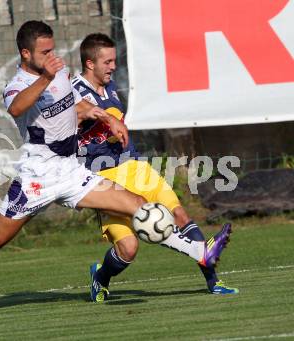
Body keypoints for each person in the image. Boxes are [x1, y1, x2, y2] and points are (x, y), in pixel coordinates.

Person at [0, 21, 232, 321]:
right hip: (36, 179)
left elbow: (73, 105)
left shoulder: (58, 72)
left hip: (69, 172)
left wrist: (104, 116)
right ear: (26, 55)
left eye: (52, 50)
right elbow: (17, 108)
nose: (52, 57)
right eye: (44, 52)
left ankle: (199, 252)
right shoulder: (18, 85)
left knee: (137, 204)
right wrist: (46, 78)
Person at [71, 33, 239, 300]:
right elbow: (71, 117)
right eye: (108, 62)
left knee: (180, 215)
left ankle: (213, 281)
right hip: (101, 177)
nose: (113, 67)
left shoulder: (110, 87)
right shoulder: (73, 91)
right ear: (90, 63)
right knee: (128, 248)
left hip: (135, 167)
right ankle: (100, 277)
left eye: (114, 61)